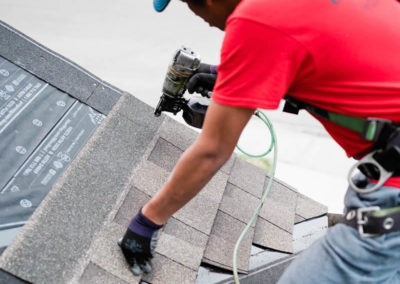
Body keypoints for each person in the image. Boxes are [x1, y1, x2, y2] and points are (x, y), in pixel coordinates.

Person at [119, 0, 400, 282]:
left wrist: (146, 222)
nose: (201, 19)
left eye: (191, 3)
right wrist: (235, 75)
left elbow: (212, 151)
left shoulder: (253, 20)